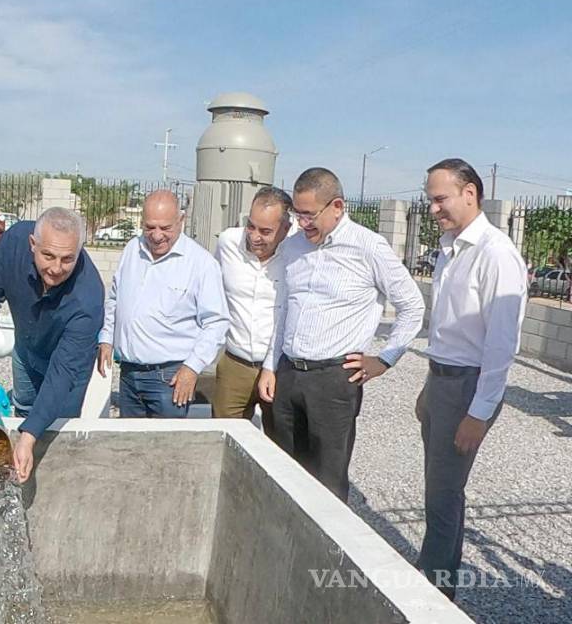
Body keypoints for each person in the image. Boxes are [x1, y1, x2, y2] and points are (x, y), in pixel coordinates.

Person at [257, 167, 424, 501]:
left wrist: (386, 358)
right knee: (282, 474)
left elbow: (413, 306)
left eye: (309, 215)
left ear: (337, 206)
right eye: (297, 215)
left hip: (334, 381)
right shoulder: (293, 249)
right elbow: (284, 309)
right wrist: (270, 365)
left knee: (328, 483)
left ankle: (324, 553)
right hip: (289, 375)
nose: (302, 224)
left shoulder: (368, 247)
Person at [415, 159, 526, 599]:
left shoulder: (495, 254)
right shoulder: (450, 246)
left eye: (439, 199)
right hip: (442, 380)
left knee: (442, 496)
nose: (433, 209)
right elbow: (450, 329)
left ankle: (433, 594)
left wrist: (478, 413)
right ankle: (438, 575)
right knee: (440, 491)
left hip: (467, 386)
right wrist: (429, 389)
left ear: (470, 194)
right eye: (429, 200)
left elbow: (501, 345)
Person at [0, 208, 104, 482]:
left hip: (68, 368)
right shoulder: (13, 244)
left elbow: (63, 374)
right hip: (27, 350)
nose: (56, 268)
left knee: (53, 432)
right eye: (48, 255)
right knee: (24, 409)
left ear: (79, 251)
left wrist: (30, 437)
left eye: (67, 259)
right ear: (32, 244)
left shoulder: (89, 297)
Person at [98, 191, 228, 417]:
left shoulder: (201, 264)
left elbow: (216, 323)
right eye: (149, 227)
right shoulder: (132, 250)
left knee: (167, 449)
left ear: (181, 220)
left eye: (165, 228)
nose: (156, 236)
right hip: (129, 375)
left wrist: (192, 367)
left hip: (170, 380)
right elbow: (115, 299)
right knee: (128, 447)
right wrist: (107, 338)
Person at [212, 187, 292, 428]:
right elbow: (212, 292)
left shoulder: (297, 253)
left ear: (285, 230)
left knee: (279, 449)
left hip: (280, 368)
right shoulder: (228, 243)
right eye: (251, 226)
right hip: (235, 365)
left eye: (266, 231)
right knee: (223, 439)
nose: (255, 236)